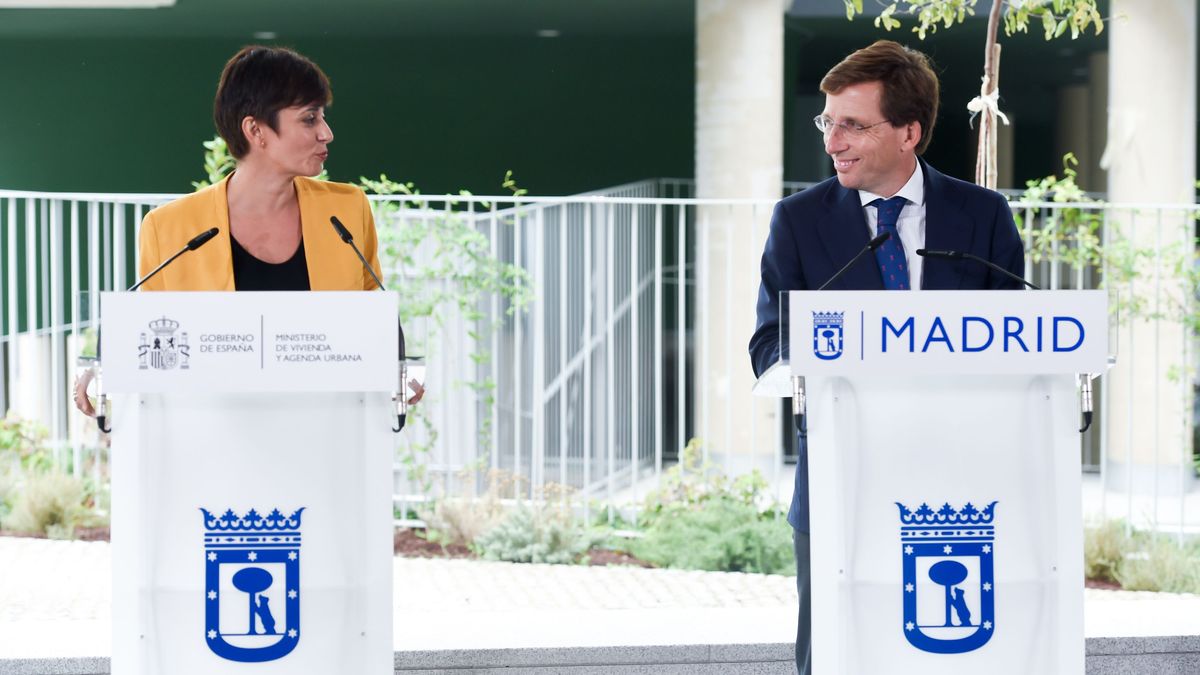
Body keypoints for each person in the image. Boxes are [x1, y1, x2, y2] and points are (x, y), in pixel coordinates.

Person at [747, 40, 1024, 674]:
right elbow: (770, 343)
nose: (832, 141)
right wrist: (828, 362)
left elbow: (1017, 336)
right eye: (828, 122)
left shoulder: (983, 218)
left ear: (909, 132)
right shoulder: (798, 221)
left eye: (852, 124)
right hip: (842, 479)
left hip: (963, 487)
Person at [74, 45, 422, 415]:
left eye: (322, 117)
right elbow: (153, 332)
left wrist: (399, 366)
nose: (327, 133)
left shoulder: (347, 210)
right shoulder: (169, 228)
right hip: (213, 435)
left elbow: (375, 313)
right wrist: (102, 363)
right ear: (255, 129)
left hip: (329, 433)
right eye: (309, 119)